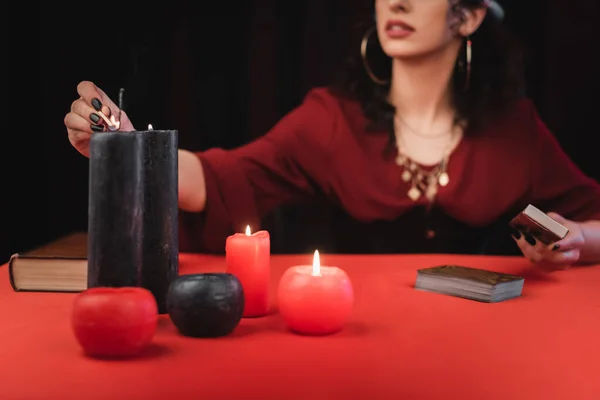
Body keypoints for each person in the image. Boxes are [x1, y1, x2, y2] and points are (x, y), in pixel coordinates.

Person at [65, 0, 600, 268]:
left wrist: (574, 237)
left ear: (469, 17)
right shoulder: (331, 119)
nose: (396, 1)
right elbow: (224, 178)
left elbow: (593, 221)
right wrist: (131, 145)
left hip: (488, 342)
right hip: (357, 339)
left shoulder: (515, 129)